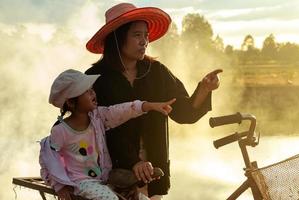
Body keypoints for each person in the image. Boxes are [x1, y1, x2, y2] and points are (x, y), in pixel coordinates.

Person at [85, 3, 222, 199]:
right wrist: (132, 161)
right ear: (117, 37)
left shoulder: (156, 72)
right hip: (111, 176)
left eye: (146, 35)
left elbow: (184, 112)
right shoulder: (95, 78)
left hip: (153, 171)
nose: (144, 41)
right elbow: (95, 126)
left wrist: (204, 89)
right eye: (137, 35)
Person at [39, 69, 176, 200]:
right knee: (109, 198)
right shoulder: (61, 130)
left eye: (91, 89)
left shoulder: (98, 117)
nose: (93, 93)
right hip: (80, 182)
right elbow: (48, 158)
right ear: (70, 102)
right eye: (86, 92)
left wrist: (148, 106)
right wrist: (60, 186)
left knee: (141, 198)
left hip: (104, 179)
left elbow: (121, 110)